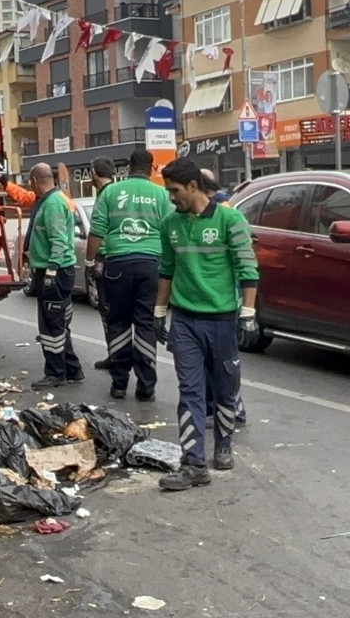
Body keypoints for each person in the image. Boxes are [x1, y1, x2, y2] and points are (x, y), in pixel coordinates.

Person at [155, 158, 259, 490]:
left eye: (174, 191)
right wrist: (160, 311)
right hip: (185, 319)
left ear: (193, 187)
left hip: (222, 320)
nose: (171, 198)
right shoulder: (170, 223)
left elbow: (247, 268)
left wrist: (249, 314)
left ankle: (224, 445)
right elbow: (166, 270)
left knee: (226, 388)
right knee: (190, 392)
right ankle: (193, 464)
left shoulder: (231, 220)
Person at [86, 150, 171, 401]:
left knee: (119, 322)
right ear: (152, 169)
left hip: (118, 264)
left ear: (127, 168)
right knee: (145, 324)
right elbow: (169, 232)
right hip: (151, 264)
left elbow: (97, 230)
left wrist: (90, 262)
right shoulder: (161, 194)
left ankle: (119, 384)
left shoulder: (111, 192)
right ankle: (146, 387)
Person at [198, 167, 249, 427]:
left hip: (222, 299)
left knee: (219, 362)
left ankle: (225, 409)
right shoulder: (227, 208)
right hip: (228, 296)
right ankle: (230, 408)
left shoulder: (222, 214)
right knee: (225, 361)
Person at [26, 163, 84, 390]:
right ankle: (72, 369)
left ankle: (55, 373)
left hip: (54, 271)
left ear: (34, 180)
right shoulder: (53, 200)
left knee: (51, 327)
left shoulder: (52, 204)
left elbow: (58, 240)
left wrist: (51, 271)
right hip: (58, 270)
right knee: (59, 323)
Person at [85, 157, 117, 372]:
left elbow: (97, 231)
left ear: (94, 173)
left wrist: (89, 261)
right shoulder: (115, 192)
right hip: (118, 258)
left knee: (108, 310)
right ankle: (115, 353)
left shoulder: (106, 196)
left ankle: (116, 355)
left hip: (105, 259)